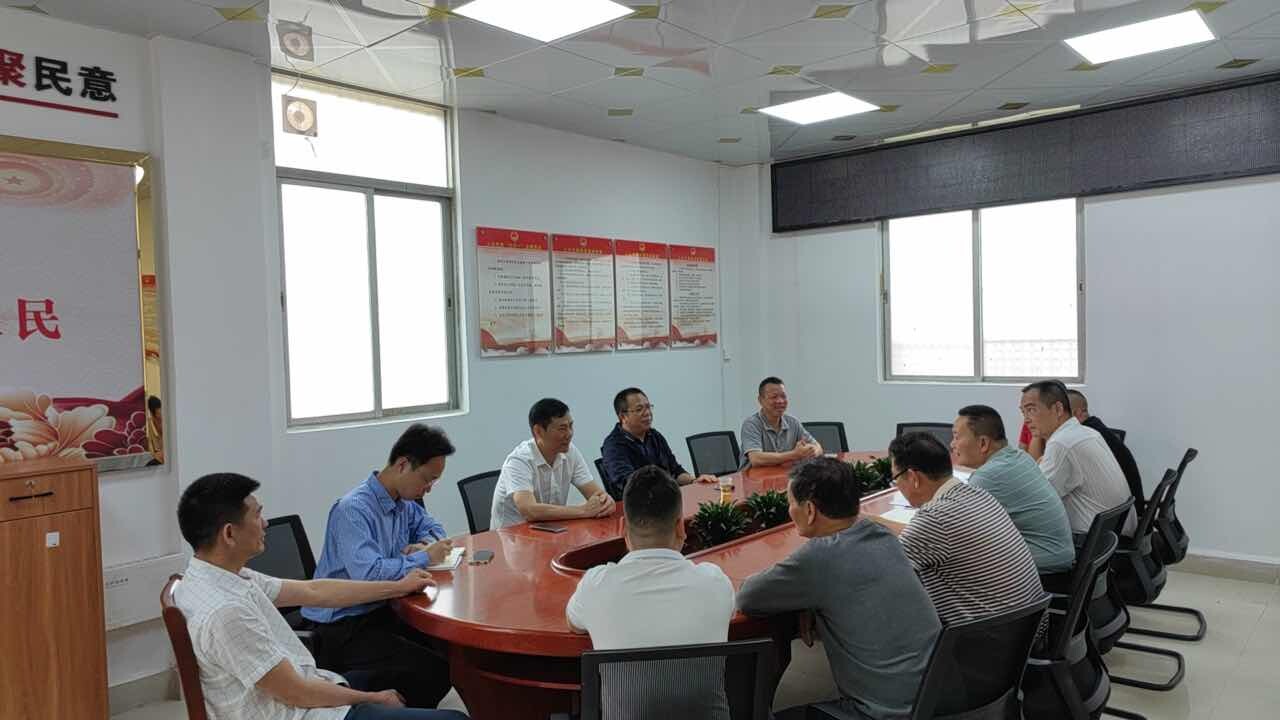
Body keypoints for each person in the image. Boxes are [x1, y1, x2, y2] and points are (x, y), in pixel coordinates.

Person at [174, 472, 468, 720]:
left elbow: (313, 590)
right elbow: (297, 693)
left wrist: (399, 586)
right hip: (302, 710)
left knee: (430, 672)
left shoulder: (214, 576)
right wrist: (373, 698)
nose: (265, 523)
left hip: (307, 683)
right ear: (229, 534)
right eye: (258, 514)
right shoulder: (227, 612)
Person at [737, 458, 939, 720]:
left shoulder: (819, 557)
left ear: (810, 510)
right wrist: (812, 600)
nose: (789, 510)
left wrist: (808, 595)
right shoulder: (882, 534)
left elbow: (748, 597)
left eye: (791, 502)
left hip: (883, 714)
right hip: (937, 698)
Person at [302, 424, 458, 710]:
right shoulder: (353, 509)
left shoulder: (403, 503)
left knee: (449, 651)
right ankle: (374, 708)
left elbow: (435, 529)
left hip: (382, 609)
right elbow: (369, 574)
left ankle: (401, 707)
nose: (428, 488)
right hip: (342, 624)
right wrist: (424, 557)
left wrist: (425, 544)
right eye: (427, 479)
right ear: (403, 465)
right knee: (433, 671)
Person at [884, 433, 1047, 625]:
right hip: (1025, 630)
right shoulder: (979, 495)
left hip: (983, 638)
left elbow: (881, 574)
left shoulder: (935, 519)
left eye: (896, 479)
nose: (897, 486)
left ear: (913, 477)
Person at [567, 465, 733, 645]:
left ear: (623, 529)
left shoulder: (594, 586)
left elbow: (574, 624)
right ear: (680, 527)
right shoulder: (715, 583)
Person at [951, 406, 1074, 572]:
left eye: (956, 437)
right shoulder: (1019, 457)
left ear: (983, 443)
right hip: (1058, 555)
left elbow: (955, 528)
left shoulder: (988, 476)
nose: (952, 444)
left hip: (1044, 567)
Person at [1021, 381, 1135, 535]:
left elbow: (1036, 500)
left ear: (1058, 409)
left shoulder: (1062, 443)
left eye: (1031, 410)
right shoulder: (1087, 432)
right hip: (1116, 530)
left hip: (1095, 540)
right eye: (1023, 412)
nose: (1026, 419)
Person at [491, 398, 615, 529]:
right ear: (538, 431)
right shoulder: (519, 461)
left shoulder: (570, 452)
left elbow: (596, 494)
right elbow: (529, 510)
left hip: (551, 530)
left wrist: (606, 502)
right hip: (511, 536)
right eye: (562, 428)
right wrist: (583, 510)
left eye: (571, 426)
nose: (569, 434)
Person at [600, 388, 716, 499]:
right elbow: (630, 486)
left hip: (666, 500)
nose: (647, 413)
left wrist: (693, 481)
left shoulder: (654, 436)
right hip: (638, 507)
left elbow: (675, 471)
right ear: (623, 416)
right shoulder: (613, 446)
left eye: (648, 407)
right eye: (639, 409)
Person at [1066, 389, 1146, 514]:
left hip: (1122, 515)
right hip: (1127, 510)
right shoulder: (1096, 429)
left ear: (1076, 413)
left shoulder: (1084, 437)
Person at [739, 376, 822, 468]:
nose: (780, 401)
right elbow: (756, 459)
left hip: (781, 474)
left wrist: (811, 451)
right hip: (753, 476)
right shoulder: (751, 424)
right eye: (774, 397)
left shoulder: (793, 422)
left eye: (783, 396)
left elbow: (818, 447)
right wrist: (794, 454)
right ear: (760, 400)